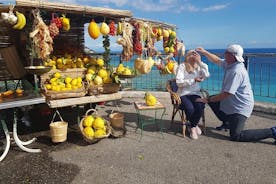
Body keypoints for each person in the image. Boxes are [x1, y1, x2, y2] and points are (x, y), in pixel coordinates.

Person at [196, 44, 276, 144]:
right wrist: (205, 52)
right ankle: (227, 122)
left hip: (240, 107)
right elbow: (216, 60)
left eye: (226, 52)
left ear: (232, 55)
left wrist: (206, 100)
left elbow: (226, 94)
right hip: (232, 103)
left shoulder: (236, 71)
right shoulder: (231, 63)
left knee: (236, 135)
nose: (224, 54)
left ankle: (272, 132)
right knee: (213, 100)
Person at [175, 50, 210, 139]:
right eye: (192, 54)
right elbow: (179, 83)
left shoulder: (199, 67)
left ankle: (192, 125)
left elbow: (207, 75)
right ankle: (194, 126)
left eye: (196, 55)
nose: (194, 56)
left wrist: (200, 62)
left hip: (195, 94)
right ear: (188, 56)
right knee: (190, 108)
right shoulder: (182, 66)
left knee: (200, 106)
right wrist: (193, 80)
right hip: (183, 94)